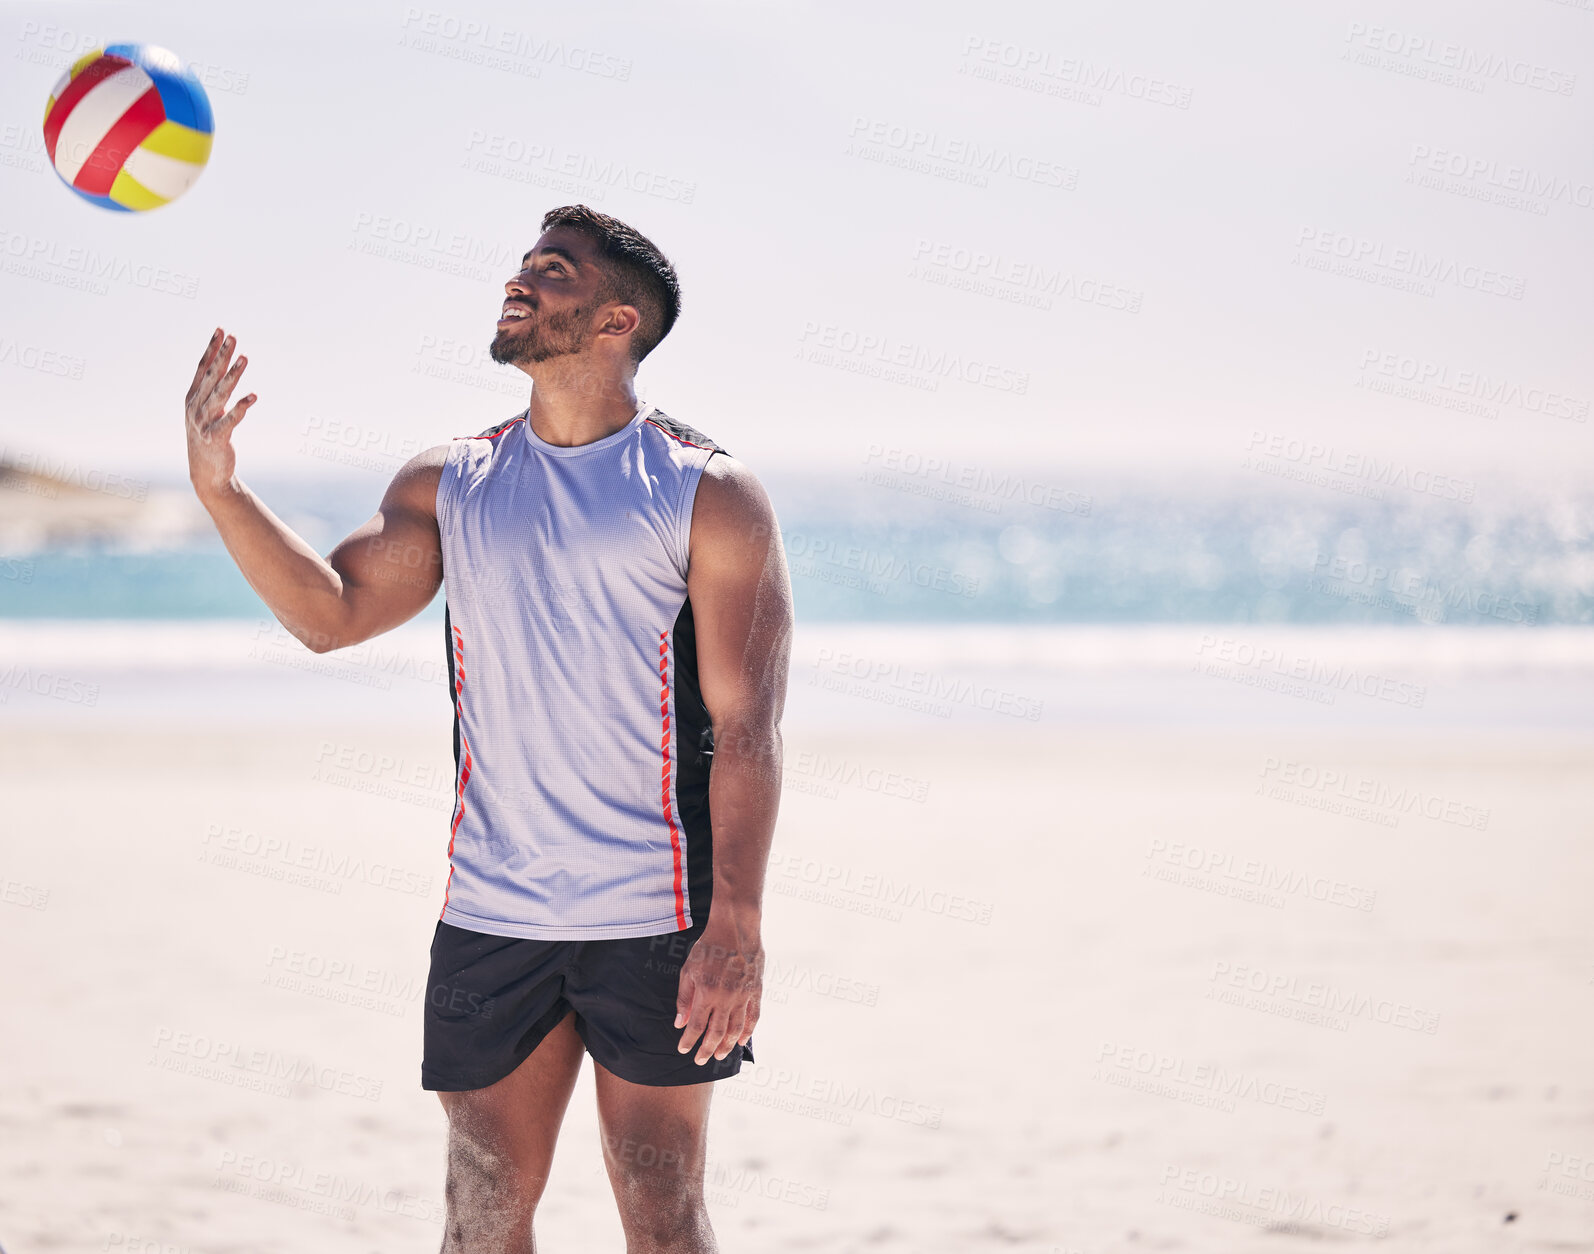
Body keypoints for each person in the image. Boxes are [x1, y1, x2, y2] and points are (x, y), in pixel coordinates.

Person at [183, 203, 793, 1253]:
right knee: (479, 1214)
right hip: (492, 911)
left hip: (656, 916)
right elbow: (332, 612)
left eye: (551, 273)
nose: (519, 283)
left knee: (661, 1214)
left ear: (616, 322)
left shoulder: (706, 492)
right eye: (522, 266)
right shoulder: (453, 481)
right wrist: (222, 490)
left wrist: (734, 922)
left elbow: (747, 724)